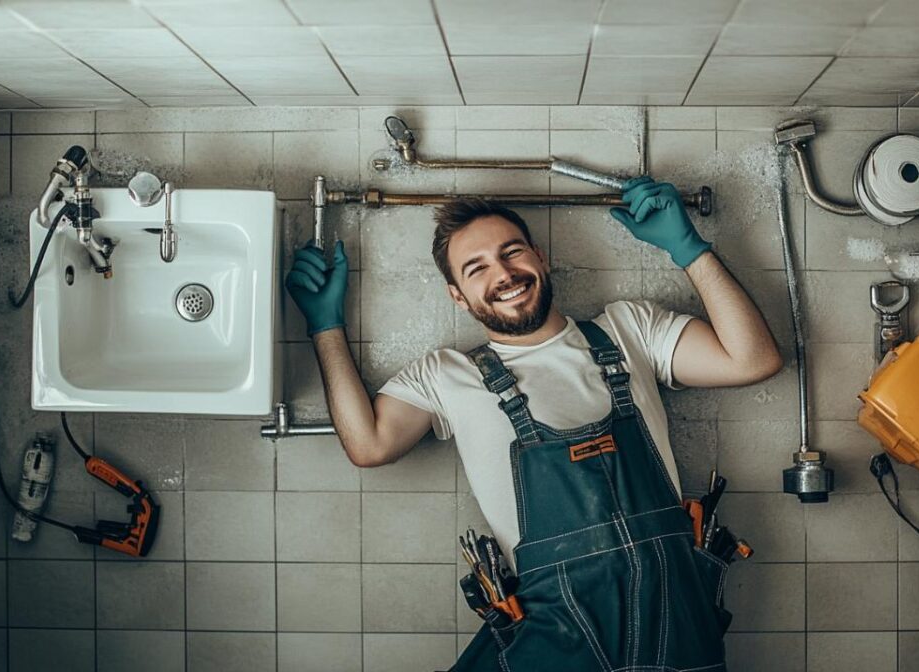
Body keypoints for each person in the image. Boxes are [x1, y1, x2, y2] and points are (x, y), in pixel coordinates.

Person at [285, 177, 782, 671]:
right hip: (557, 636)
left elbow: (753, 359)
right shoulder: (446, 376)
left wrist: (689, 249)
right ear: (458, 296)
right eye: (477, 268)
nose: (503, 273)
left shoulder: (630, 329)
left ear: (540, 258)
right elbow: (368, 445)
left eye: (512, 252)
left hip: (672, 622)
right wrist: (326, 327)